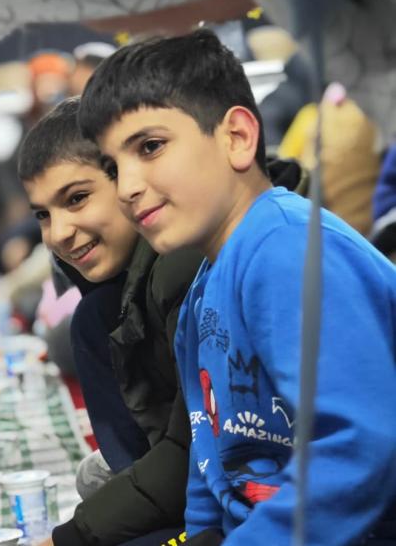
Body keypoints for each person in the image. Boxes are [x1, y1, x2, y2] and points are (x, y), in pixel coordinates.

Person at [79, 29, 396, 545]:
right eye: (114, 168)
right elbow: (211, 464)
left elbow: (359, 448)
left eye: (150, 147)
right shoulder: (204, 285)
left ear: (237, 138)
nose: (127, 187)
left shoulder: (286, 248)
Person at [20, 97, 201, 545]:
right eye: (43, 215)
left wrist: (72, 537)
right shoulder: (107, 303)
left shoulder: (186, 268)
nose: (58, 233)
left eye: (77, 199)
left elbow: (192, 460)